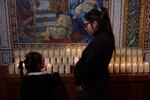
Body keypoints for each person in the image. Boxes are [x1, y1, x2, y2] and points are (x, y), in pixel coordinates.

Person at [74, 7, 115, 100]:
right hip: (97, 85)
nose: (85, 28)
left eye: (86, 25)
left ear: (95, 23)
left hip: (92, 88)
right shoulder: (105, 37)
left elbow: (89, 66)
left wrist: (80, 83)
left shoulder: (100, 40)